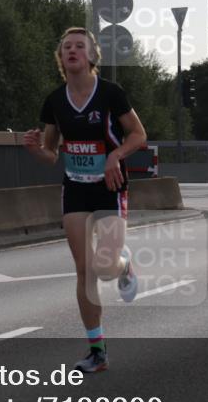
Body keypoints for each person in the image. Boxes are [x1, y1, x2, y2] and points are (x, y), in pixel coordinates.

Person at [23, 28, 147, 373]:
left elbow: (139, 134)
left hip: (110, 185)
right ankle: (98, 351)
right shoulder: (54, 100)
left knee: (105, 267)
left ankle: (124, 264)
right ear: (61, 58)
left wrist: (115, 155)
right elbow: (51, 153)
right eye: (66, 47)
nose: (73, 50)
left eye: (80, 46)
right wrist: (36, 149)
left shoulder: (110, 93)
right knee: (84, 270)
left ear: (92, 56)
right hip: (75, 188)